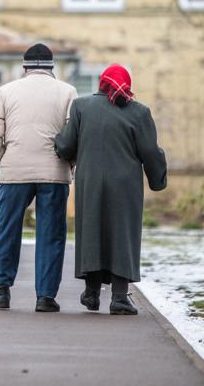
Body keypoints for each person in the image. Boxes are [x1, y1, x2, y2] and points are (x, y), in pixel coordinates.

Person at [53, 64, 167, 315]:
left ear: (102, 83)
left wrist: (58, 143)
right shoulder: (139, 112)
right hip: (125, 185)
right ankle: (119, 297)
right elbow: (150, 151)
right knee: (122, 234)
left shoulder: (81, 107)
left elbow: (67, 145)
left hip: (90, 181)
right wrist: (157, 180)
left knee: (91, 231)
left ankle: (91, 293)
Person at [0, 43, 77, 312]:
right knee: (51, 234)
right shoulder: (68, 92)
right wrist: (69, 162)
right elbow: (75, 135)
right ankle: (45, 297)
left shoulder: (7, 91)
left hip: (14, 171)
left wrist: (2, 157)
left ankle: (1, 291)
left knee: (7, 229)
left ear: (25, 67)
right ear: (52, 67)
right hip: (54, 172)